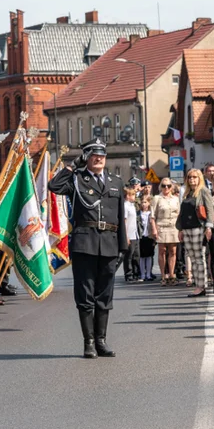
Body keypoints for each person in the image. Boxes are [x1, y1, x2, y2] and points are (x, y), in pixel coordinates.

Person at [49, 138, 128, 358]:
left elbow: (120, 216)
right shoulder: (77, 180)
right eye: (94, 154)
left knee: (105, 294)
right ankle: (89, 342)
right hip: (85, 243)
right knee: (85, 293)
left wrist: (123, 247)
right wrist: (73, 165)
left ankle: (101, 340)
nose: (99, 158)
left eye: (102, 154)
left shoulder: (115, 181)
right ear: (86, 157)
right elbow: (53, 186)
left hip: (110, 243)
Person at [177, 168, 214, 298]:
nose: (192, 179)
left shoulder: (203, 191)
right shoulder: (187, 193)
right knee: (192, 258)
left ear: (199, 178)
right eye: (189, 177)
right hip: (187, 228)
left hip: (198, 227)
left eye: (194, 177)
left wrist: (209, 227)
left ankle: (201, 286)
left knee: (199, 258)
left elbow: (210, 210)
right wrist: (180, 229)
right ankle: (198, 284)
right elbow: (182, 213)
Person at [150, 178, 181, 285]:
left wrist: (180, 229)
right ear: (160, 187)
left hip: (173, 226)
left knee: (173, 251)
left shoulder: (176, 199)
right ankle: (163, 276)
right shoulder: (157, 198)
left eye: (168, 185)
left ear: (172, 187)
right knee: (162, 251)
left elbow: (179, 214)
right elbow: (152, 216)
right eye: (164, 185)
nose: (166, 188)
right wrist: (154, 229)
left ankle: (172, 275)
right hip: (161, 226)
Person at [122, 186, 141, 283]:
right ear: (128, 196)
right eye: (133, 195)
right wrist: (126, 236)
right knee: (129, 256)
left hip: (135, 234)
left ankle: (136, 273)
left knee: (136, 255)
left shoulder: (132, 206)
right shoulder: (125, 206)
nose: (135, 197)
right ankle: (128, 274)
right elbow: (124, 222)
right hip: (129, 234)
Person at [138, 195, 156, 281]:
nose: (143, 204)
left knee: (149, 256)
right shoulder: (139, 214)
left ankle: (148, 274)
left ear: (149, 203)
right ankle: (142, 274)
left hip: (149, 236)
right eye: (142, 202)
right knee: (142, 256)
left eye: (145, 202)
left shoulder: (151, 214)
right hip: (141, 236)